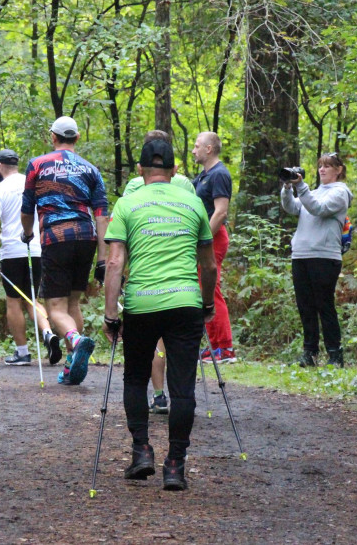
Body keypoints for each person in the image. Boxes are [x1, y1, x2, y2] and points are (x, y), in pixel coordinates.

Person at [102, 139, 218, 491]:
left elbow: (115, 262)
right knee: (182, 389)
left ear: (139, 170)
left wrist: (110, 315)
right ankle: (175, 466)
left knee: (136, 379)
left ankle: (141, 451)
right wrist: (207, 303)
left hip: (142, 305)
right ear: (174, 171)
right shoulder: (194, 203)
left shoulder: (128, 203)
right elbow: (209, 265)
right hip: (185, 304)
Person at [21, 116, 109, 385]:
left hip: (55, 238)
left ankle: (76, 340)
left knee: (55, 307)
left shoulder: (37, 165)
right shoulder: (91, 170)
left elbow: (27, 207)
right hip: (86, 237)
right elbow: (102, 215)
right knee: (73, 302)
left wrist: (27, 233)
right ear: (77, 138)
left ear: (53, 137)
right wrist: (103, 258)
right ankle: (71, 366)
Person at [122, 130, 196, 414]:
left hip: (145, 276)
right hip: (181, 275)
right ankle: (177, 397)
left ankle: (158, 393)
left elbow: (124, 234)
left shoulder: (133, 187)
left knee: (149, 340)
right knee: (172, 337)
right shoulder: (186, 185)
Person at [280, 152, 353, 368]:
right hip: (301, 254)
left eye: (328, 166)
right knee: (305, 306)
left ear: (339, 170)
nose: (322, 170)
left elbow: (319, 209)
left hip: (325, 255)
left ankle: (335, 354)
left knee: (324, 305)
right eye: (320, 166)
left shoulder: (341, 193)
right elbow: (293, 207)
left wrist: (301, 187)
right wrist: (286, 187)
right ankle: (309, 353)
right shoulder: (312, 192)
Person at [0, 148, 59, 366]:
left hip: (12, 252)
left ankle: (22, 352)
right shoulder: (34, 186)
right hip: (36, 249)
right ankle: (47, 333)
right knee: (32, 299)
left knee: (14, 301)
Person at [191, 131, 236, 364]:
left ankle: (225, 348)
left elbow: (221, 211)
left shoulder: (219, 174)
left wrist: (204, 238)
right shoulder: (203, 176)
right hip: (206, 237)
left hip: (214, 237)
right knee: (203, 289)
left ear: (209, 149)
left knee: (211, 289)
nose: (193, 150)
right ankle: (213, 347)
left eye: (197, 146)